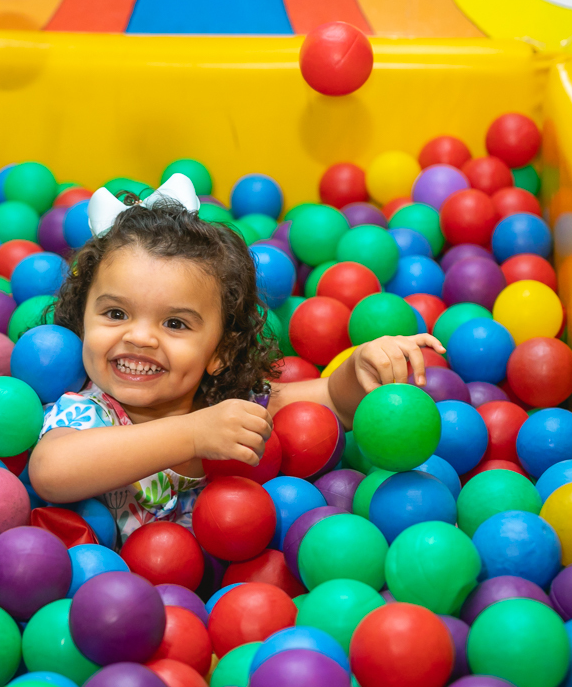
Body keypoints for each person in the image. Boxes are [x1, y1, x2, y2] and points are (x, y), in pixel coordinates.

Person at [28, 173, 444, 544]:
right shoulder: (88, 412)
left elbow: (333, 404)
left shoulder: (227, 402)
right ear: (84, 318)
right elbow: (50, 470)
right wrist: (192, 434)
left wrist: (360, 369)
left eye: (175, 323)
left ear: (221, 353)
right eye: (116, 314)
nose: (139, 337)